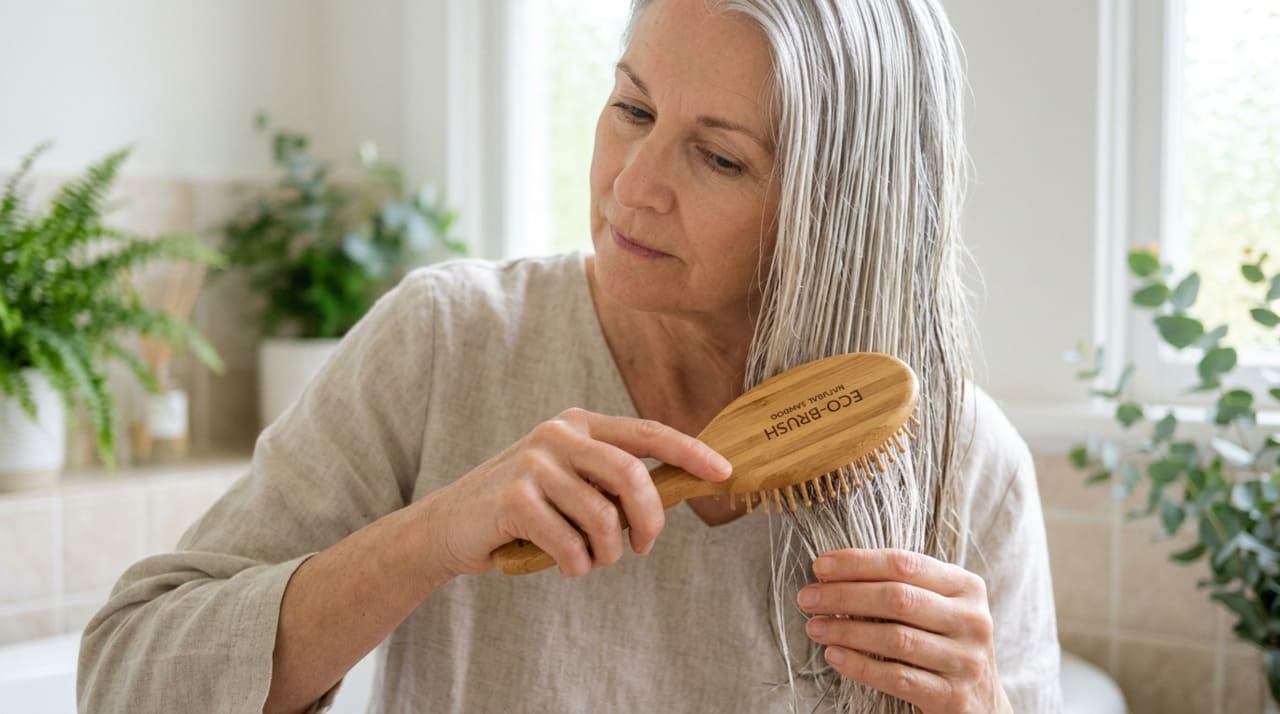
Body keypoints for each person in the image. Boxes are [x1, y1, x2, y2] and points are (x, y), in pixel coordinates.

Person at [78, 0, 1063, 712]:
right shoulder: (447, 343)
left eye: (716, 157)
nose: (632, 186)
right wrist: (427, 538)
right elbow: (125, 682)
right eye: (631, 109)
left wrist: (979, 705)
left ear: (837, 211)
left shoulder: (957, 460)